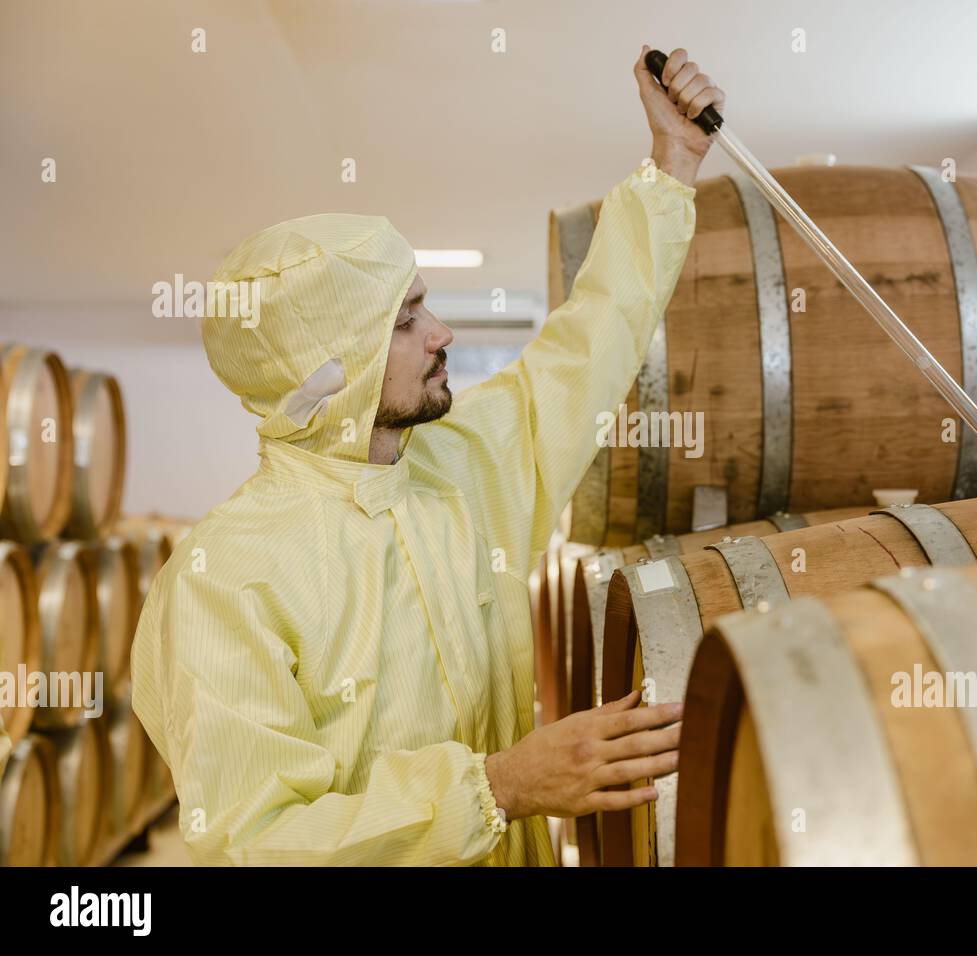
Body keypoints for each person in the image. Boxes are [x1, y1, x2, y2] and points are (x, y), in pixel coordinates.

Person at [130, 47, 725, 865]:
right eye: (405, 320)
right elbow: (252, 844)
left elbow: (591, 340)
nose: (442, 334)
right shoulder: (224, 577)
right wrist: (499, 788)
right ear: (328, 372)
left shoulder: (462, 462)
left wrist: (673, 166)